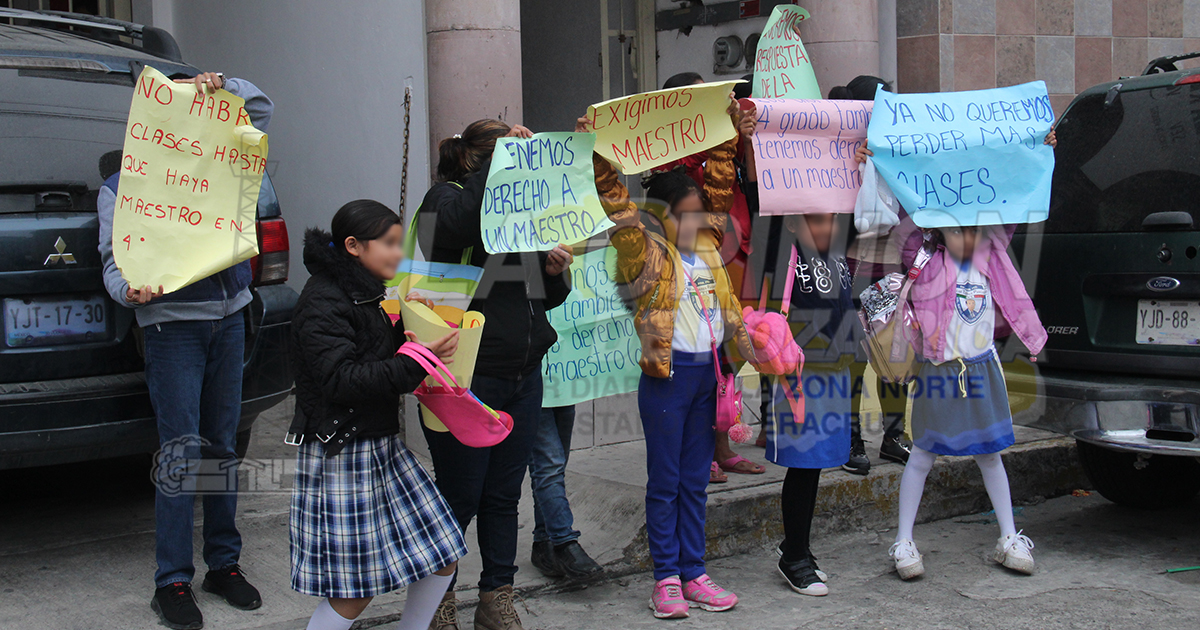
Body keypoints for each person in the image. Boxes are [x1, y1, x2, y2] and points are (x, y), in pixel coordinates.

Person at [97, 71, 271, 630]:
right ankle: (171, 579)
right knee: (183, 449)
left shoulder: (223, 154)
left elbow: (261, 109)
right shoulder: (126, 181)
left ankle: (224, 564)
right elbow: (112, 261)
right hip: (173, 327)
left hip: (229, 317)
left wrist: (222, 84)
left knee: (222, 445)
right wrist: (129, 290)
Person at [583, 99, 757, 619]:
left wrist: (730, 131)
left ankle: (695, 572)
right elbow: (618, 206)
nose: (697, 217)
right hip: (667, 379)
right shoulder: (644, 254)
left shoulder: (709, 247)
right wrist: (597, 152)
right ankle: (666, 580)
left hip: (708, 377)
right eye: (684, 213)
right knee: (664, 483)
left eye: (699, 211)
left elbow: (722, 182)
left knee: (694, 481)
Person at [415, 119, 573, 630]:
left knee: (504, 496)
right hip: (466, 377)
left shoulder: (518, 215)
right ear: (482, 162)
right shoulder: (444, 200)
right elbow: (454, 230)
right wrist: (501, 165)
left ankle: (495, 598)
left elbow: (539, 299)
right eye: (510, 160)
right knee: (459, 495)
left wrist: (553, 272)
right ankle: (435, 600)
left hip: (522, 373)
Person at [880, 132, 1055, 580]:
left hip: (982, 370)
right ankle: (904, 541)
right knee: (921, 455)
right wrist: (880, 160)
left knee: (991, 455)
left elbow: (1017, 196)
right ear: (936, 228)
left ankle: (1009, 536)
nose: (966, 234)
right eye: (955, 227)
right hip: (938, 371)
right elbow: (904, 208)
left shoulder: (991, 252)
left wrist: (1042, 149)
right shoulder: (923, 258)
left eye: (973, 226)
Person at [288, 201, 467, 630]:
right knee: (353, 592)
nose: (398, 254)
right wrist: (415, 361)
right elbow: (341, 380)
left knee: (441, 555)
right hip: (343, 452)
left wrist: (408, 327)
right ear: (353, 246)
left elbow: (367, 352)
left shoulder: (361, 291)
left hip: (379, 445)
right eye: (388, 244)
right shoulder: (322, 300)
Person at [656, 71, 765, 484]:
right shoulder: (667, 147)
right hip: (687, 257)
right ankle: (701, 449)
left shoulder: (726, 138)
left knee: (728, 351)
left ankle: (723, 445)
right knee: (696, 351)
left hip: (734, 248)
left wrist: (743, 138)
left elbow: (746, 180)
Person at [828, 75, 911, 475]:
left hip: (893, 268)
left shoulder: (900, 151)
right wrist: (855, 172)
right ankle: (852, 437)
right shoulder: (836, 156)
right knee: (856, 357)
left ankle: (894, 436)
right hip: (853, 269)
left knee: (895, 351)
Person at [528, 405, 603, 580]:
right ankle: (564, 541)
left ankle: (543, 540)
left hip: (562, 390)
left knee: (553, 465)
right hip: (536, 389)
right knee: (550, 466)